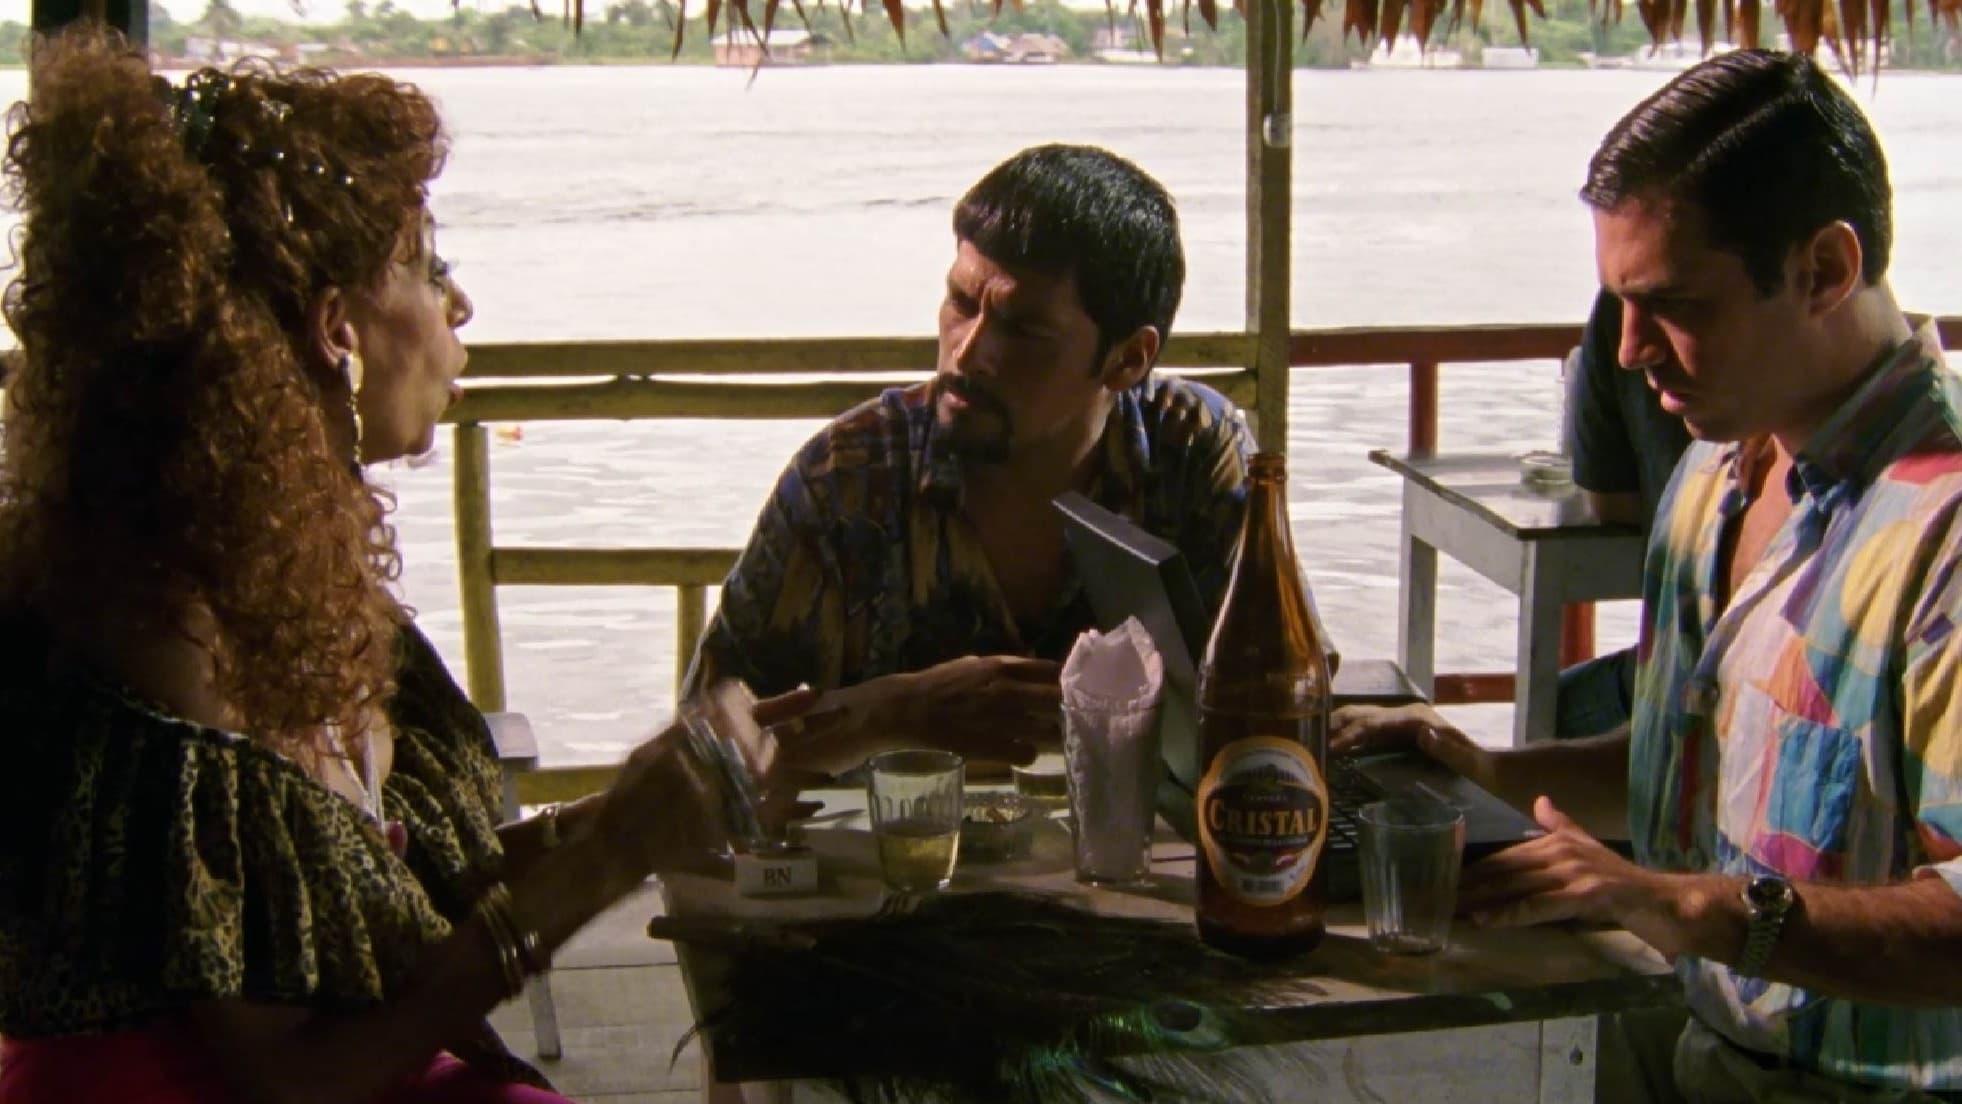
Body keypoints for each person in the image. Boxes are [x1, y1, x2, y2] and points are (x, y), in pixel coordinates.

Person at [0, 32, 806, 1104]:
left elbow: (393, 884)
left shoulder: (266, 568)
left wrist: (659, 803)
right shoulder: (166, 637)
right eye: (430, 270)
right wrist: (610, 858)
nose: (458, 307)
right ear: (337, 331)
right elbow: (291, 1080)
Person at [1338, 50, 1962, 1100]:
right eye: (1616, 302)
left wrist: (1687, 909)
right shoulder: (1714, 472)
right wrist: (1485, 771)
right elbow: (1704, 761)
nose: (1628, 351)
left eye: (1674, 305)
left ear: (1823, 270)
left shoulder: (1940, 536)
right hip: (1692, 1046)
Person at [684, 144, 1255, 774]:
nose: (968, 352)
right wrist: (890, 714)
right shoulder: (848, 477)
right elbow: (698, 763)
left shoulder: (1192, 449)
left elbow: (1276, 702)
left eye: (1023, 330)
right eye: (961, 302)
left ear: (1127, 360)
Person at [1554, 288, 1693, 740]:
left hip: (1682, 666)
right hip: (1687, 671)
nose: (1631, 351)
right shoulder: (1721, 465)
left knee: (1552, 711)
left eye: (1677, 303)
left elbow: (1609, 499)